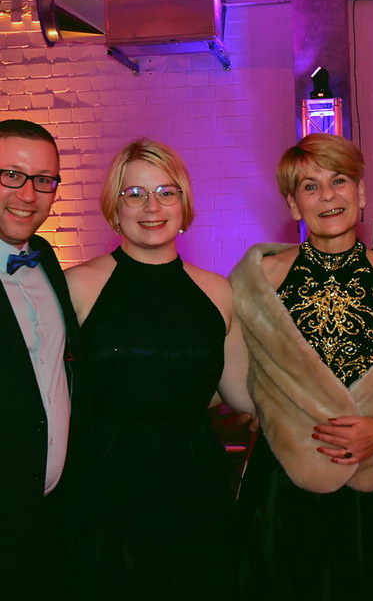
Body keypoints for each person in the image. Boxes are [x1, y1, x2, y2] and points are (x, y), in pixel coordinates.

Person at [231, 133, 373, 601]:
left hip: (370, 479)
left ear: (361, 193)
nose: (327, 195)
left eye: (339, 180)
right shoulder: (260, 279)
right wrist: (252, 408)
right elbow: (234, 368)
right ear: (293, 205)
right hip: (281, 481)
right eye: (310, 186)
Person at [64, 139, 253, 601]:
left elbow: (247, 395)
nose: (152, 207)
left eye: (167, 192)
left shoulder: (217, 292)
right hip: (105, 491)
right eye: (135, 194)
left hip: (196, 491)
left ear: (184, 204)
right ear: (114, 208)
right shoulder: (77, 286)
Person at [0, 119, 79, 600]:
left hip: (47, 524)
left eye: (43, 180)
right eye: (11, 175)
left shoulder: (47, 258)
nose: (27, 194)